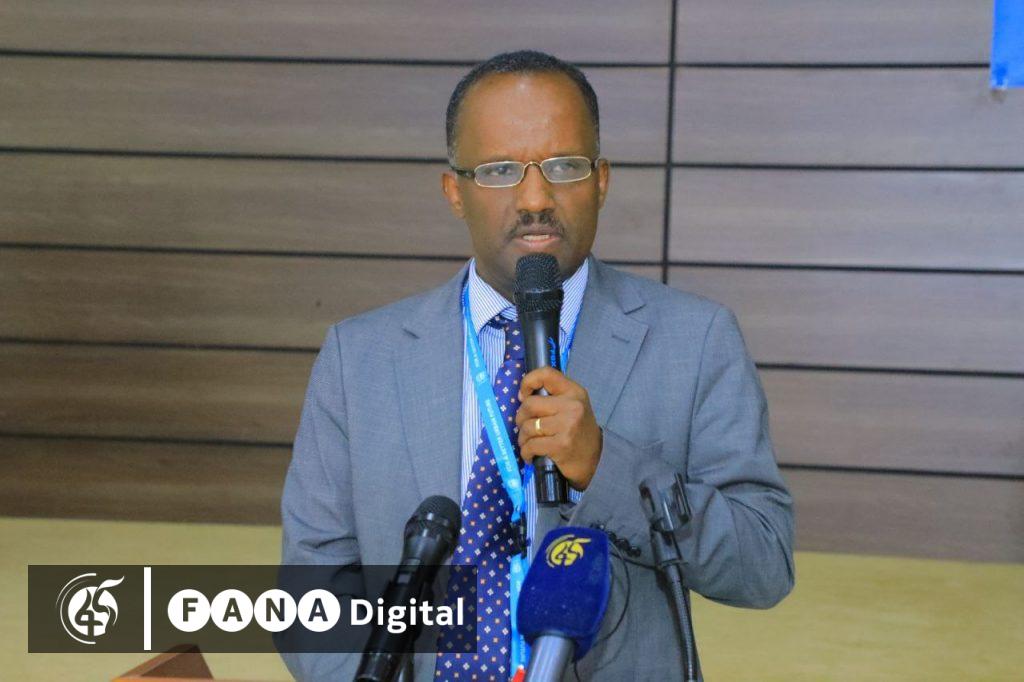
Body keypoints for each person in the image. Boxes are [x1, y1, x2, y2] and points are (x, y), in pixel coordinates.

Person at [280, 50, 794, 681]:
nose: (534, 198)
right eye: (499, 170)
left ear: (601, 180)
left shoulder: (695, 340)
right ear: (454, 191)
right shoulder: (359, 357)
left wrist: (607, 467)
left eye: (564, 166)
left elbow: (763, 564)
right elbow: (311, 593)